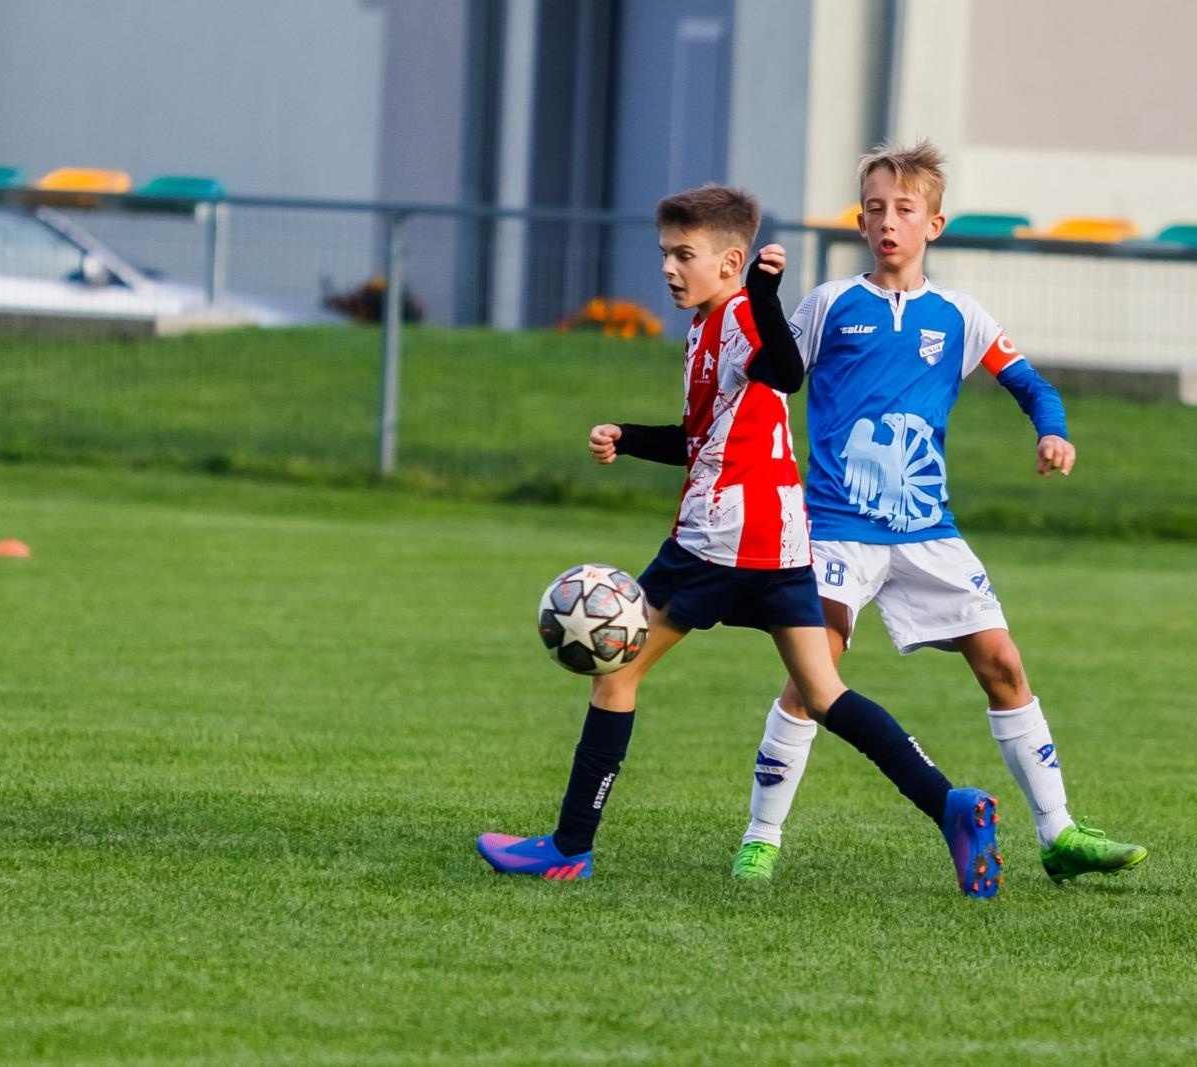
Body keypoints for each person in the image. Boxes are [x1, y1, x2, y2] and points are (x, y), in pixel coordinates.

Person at [476, 184, 1005, 897]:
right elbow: (704, 438)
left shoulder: (737, 317)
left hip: (718, 541)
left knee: (617, 674)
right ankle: (951, 805)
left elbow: (785, 371)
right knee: (823, 693)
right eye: (664, 252)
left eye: (684, 254)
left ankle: (571, 845)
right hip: (781, 544)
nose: (668, 267)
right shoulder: (705, 326)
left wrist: (763, 293)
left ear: (730, 262)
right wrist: (628, 438)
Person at [729, 141, 1147, 885]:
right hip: (834, 529)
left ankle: (1060, 833)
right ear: (861, 221)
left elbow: (1033, 385)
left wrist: (1052, 430)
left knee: (1005, 665)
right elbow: (774, 379)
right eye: (877, 209)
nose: (889, 222)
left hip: (928, 534)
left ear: (935, 224)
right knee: (812, 676)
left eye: (905, 210)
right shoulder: (828, 303)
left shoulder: (960, 315)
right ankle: (762, 836)